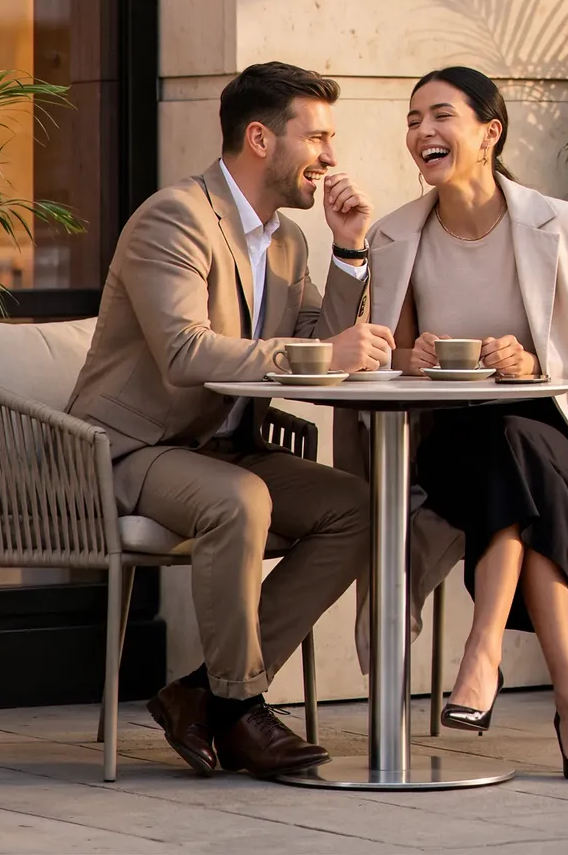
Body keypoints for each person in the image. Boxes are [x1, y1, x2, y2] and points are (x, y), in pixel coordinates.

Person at [68, 61, 392, 779]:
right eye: (318, 138)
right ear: (259, 139)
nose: (330, 157)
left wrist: (348, 248)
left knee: (355, 505)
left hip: (226, 445)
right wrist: (315, 348)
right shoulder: (175, 217)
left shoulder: (286, 241)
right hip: (131, 451)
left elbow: (322, 345)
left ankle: (203, 695)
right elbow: (183, 353)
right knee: (238, 500)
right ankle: (241, 706)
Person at [364, 65, 568, 783]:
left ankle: (482, 651)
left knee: (519, 448)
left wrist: (533, 362)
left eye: (439, 115)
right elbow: (388, 356)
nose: (421, 132)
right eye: (412, 120)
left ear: (489, 132)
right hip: (449, 442)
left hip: (552, 428)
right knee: (513, 460)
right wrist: (416, 356)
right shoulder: (395, 235)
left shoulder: (559, 226)